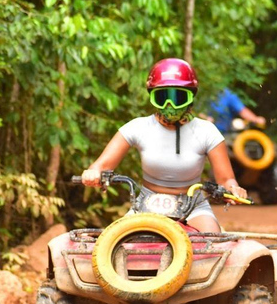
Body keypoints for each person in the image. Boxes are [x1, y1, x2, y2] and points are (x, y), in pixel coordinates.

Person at [81, 58, 247, 233]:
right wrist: (94, 172)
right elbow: (102, 165)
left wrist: (233, 189)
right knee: (115, 243)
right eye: (163, 97)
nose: (170, 105)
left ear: (191, 97)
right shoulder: (137, 127)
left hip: (194, 207)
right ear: (153, 98)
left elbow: (226, 179)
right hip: (146, 204)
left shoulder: (207, 131)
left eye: (178, 97)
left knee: (214, 244)